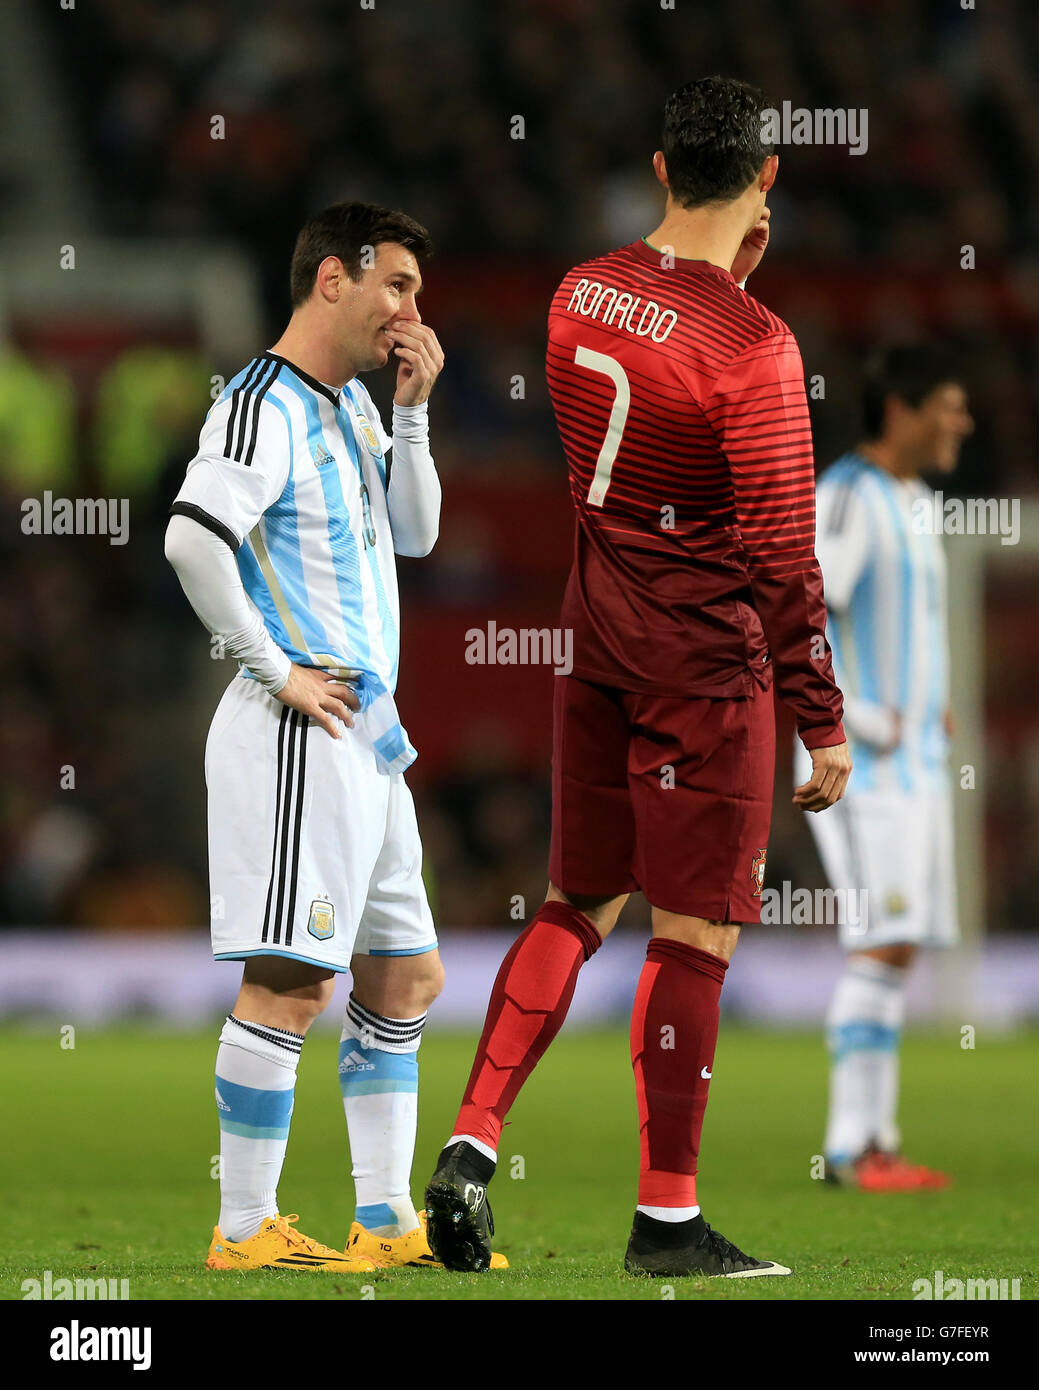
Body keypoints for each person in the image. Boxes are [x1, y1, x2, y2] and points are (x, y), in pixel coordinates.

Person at [424, 76, 851, 1277]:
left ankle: (469, 1141)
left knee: (575, 900)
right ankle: (667, 1217)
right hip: (706, 671)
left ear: (661, 171)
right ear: (766, 177)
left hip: (595, 641)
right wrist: (820, 719)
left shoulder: (577, 293)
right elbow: (777, 554)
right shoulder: (755, 349)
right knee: (694, 935)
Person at [165, 201, 470, 1273]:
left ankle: (383, 1221)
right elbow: (191, 538)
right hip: (304, 725)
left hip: (369, 731)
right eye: (397, 285)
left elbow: (417, 533)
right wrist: (275, 666)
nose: (411, 311)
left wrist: (415, 412)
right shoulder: (259, 405)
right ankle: (243, 1227)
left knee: (406, 976)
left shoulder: (348, 407)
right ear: (331, 280)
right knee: (295, 979)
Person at [800, 345, 973, 1192]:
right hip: (860, 766)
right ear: (900, 410)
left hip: (917, 764)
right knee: (881, 941)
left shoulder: (915, 501)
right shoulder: (849, 496)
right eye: (949, 403)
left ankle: (874, 1141)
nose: (963, 422)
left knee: (896, 949)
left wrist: (926, 706)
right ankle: (851, 1148)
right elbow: (806, 617)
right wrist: (861, 717)